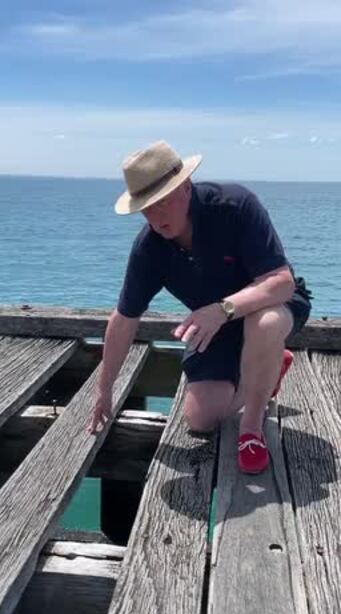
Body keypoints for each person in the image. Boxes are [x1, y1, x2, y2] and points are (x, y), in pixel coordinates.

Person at [88, 140, 312, 474]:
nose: (155, 217)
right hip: (217, 326)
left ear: (186, 188)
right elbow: (124, 319)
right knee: (201, 419)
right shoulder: (149, 249)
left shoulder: (235, 205)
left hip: (270, 305)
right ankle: (269, 366)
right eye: (146, 208)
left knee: (263, 325)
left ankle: (251, 429)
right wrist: (104, 390)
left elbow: (281, 282)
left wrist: (221, 309)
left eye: (161, 203)